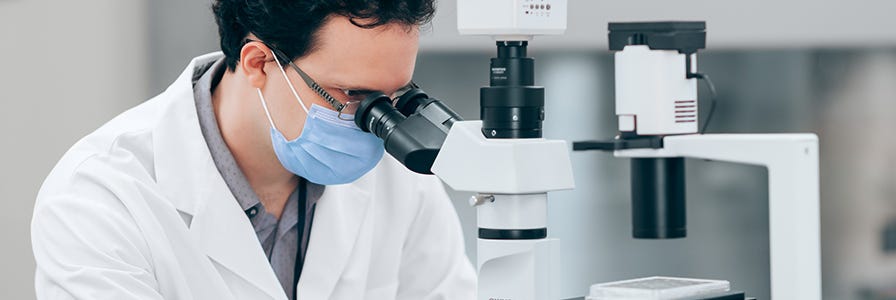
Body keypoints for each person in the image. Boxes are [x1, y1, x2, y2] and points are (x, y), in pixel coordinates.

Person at [30, 1, 476, 299]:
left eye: (396, 98)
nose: (374, 124)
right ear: (259, 63)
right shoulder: (99, 198)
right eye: (353, 97)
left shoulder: (401, 188)